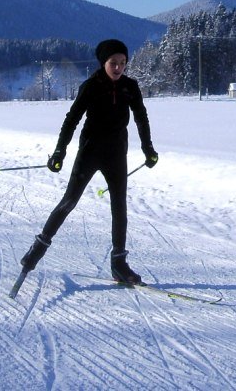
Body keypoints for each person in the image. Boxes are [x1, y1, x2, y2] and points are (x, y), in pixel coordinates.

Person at [18, 39, 159, 284]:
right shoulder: (91, 86)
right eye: (113, 63)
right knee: (69, 202)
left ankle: (119, 264)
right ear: (103, 62)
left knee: (119, 208)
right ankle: (36, 252)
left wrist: (148, 149)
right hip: (90, 152)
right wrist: (59, 152)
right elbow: (71, 120)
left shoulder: (130, 87)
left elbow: (141, 119)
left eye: (122, 63)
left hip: (116, 154)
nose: (118, 68)